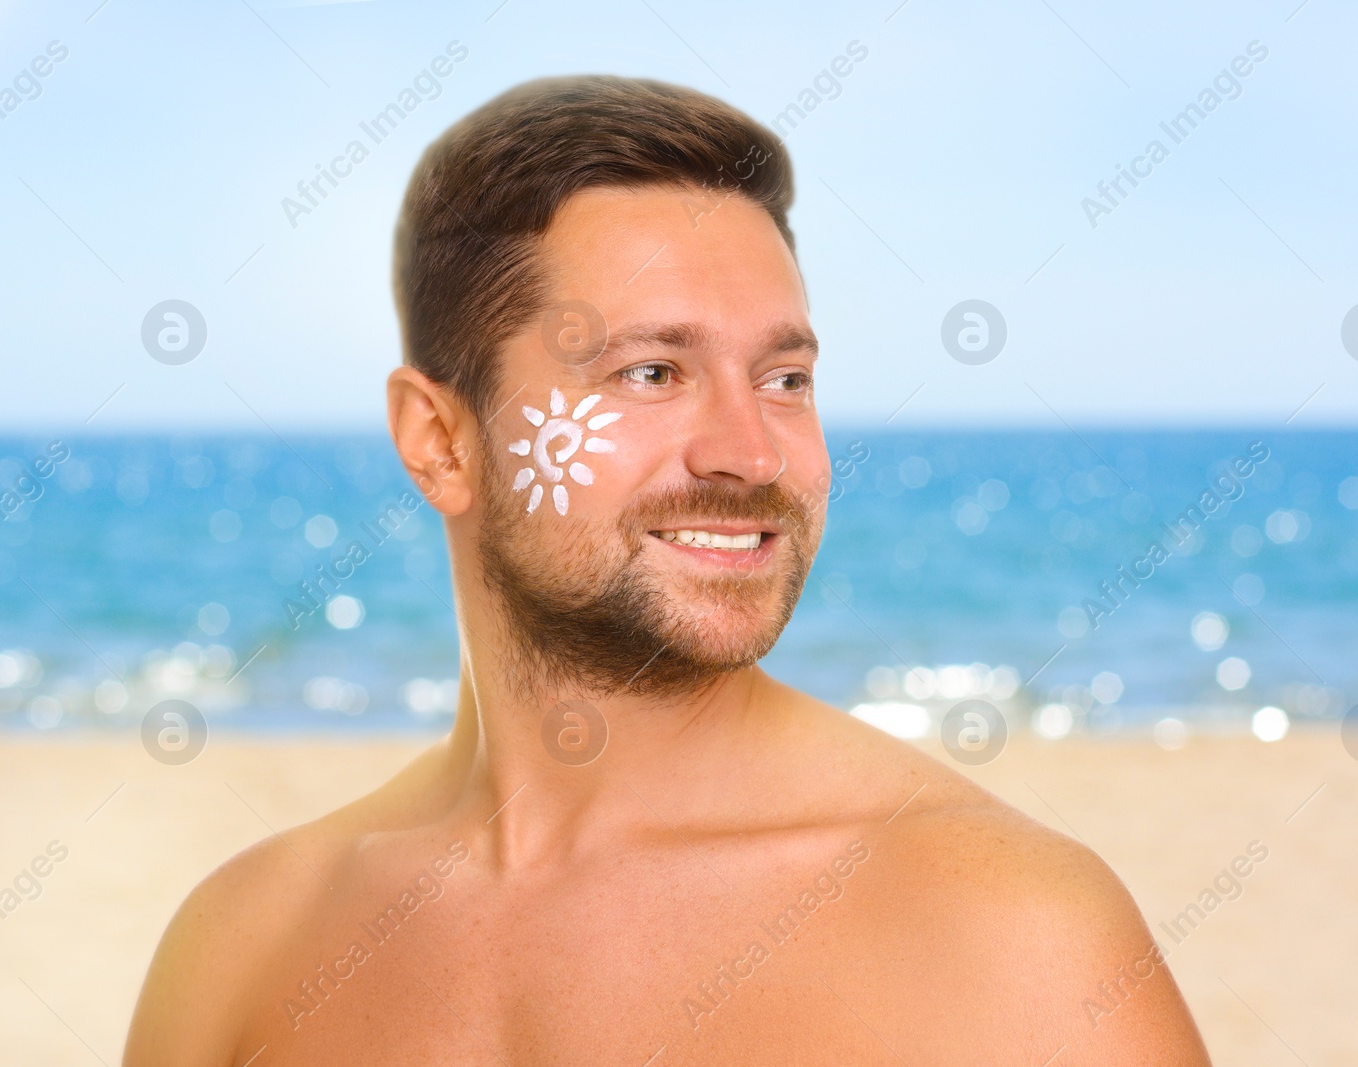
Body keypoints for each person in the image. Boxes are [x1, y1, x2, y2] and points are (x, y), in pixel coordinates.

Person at [124, 75, 1209, 1065]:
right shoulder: (249, 950)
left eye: (783, 377)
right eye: (651, 371)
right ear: (440, 442)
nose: (750, 451)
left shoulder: (1012, 940)